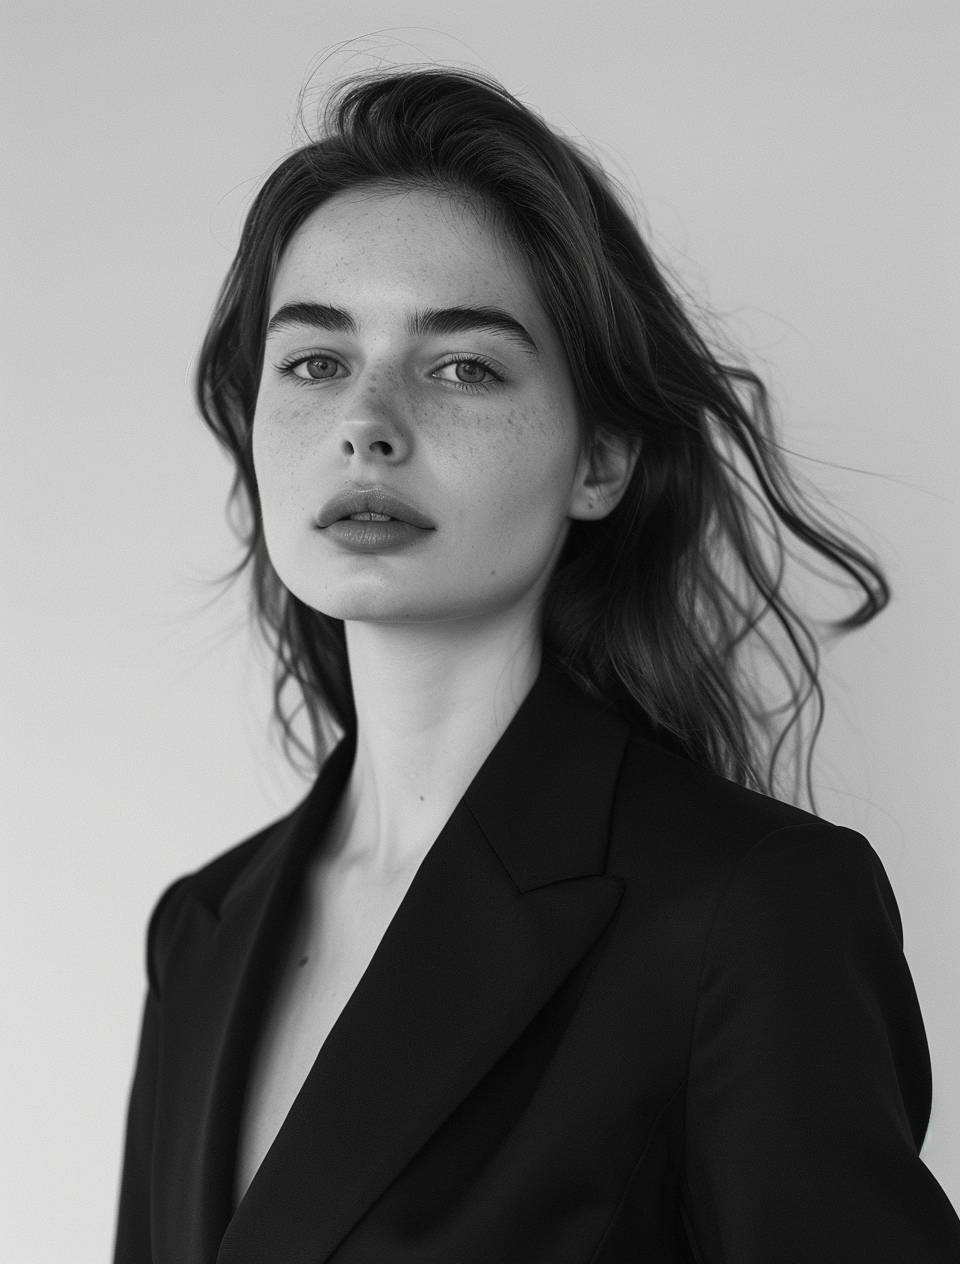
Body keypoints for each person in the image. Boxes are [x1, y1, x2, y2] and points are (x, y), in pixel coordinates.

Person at [112, 66, 960, 1263]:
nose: (368, 419)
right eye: (313, 362)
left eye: (463, 366)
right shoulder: (199, 930)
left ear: (601, 455)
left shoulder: (750, 911)